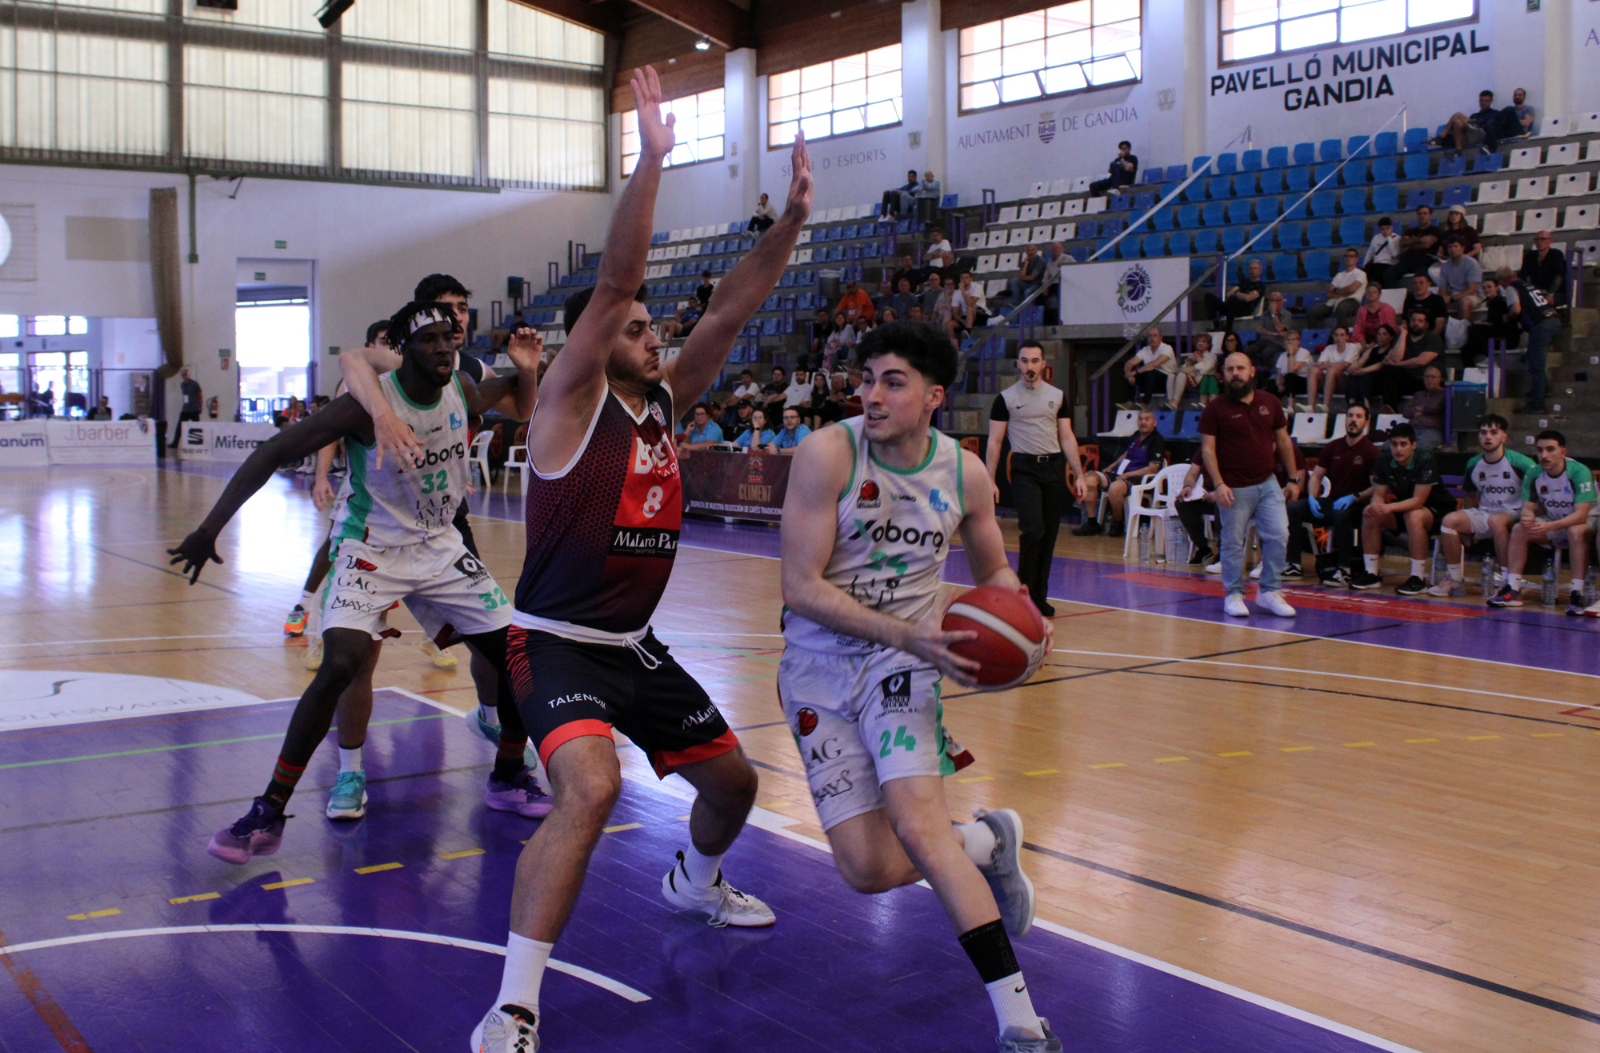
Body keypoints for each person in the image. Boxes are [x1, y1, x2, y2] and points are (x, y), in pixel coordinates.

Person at [474, 77, 814, 1051]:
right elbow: (618, 284)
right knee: (591, 789)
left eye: (649, 326)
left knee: (736, 788)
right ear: (593, 339)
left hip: (633, 644)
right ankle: (514, 1005)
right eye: (631, 327)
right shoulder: (570, 404)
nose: (649, 329)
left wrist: (789, 221)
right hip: (556, 643)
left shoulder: (664, 402)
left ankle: (692, 880)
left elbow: (731, 313)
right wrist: (655, 157)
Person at [168, 302, 542, 861]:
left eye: (450, 337)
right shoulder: (364, 407)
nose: (444, 347)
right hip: (371, 549)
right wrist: (209, 527)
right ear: (403, 350)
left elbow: (520, 400)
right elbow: (273, 451)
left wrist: (529, 368)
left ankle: (509, 773)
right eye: (431, 339)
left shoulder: (462, 388)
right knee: (340, 663)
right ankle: (269, 811)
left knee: (517, 654)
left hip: (439, 545)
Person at [778, 320, 1062, 1053]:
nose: (871, 394)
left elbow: (996, 569)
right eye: (867, 378)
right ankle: (986, 841)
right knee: (867, 868)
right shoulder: (826, 453)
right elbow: (800, 587)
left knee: (920, 829)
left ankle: (1022, 1022)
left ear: (934, 396)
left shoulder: (964, 473)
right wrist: (904, 631)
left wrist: (1023, 618)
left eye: (892, 381)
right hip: (817, 669)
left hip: (903, 671)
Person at [986, 341, 1088, 617]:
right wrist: (989, 479)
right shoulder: (1005, 398)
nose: (1029, 367)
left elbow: (1066, 436)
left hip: (1053, 467)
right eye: (1024, 361)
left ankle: (1038, 596)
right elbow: (995, 442)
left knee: (1050, 534)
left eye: (1034, 361)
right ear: (1017, 364)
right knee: (1033, 530)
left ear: (1044, 364)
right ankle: (1023, 594)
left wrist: (1078, 474)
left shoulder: (1057, 395)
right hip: (1024, 468)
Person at [1199, 352, 1299, 618]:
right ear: (1224, 374)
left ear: (1251, 371)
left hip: (1268, 483)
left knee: (1279, 535)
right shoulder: (1215, 408)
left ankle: (1269, 592)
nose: (1235, 373)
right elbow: (1208, 450)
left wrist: (1293, 478)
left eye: (1240, 368)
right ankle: (1233, 593)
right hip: (1233, 486)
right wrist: (1219, 484)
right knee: (1233, 543)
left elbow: (1284, 441)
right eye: (1230, 369)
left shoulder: (1270, 402)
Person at [1488, 430, 1596, 614]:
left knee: (1575, 531)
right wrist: (1528, 517)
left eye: (1550, 449)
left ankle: (1577, 593)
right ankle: (1513, 588)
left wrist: (1548, 526)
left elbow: (1581, 515)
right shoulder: (1534, 473)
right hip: (1554, 521)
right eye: (1540, 450)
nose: (1544, 455)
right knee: (1520, 529)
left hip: (1588, 522)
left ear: (1563, 452)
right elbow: (1528, 507)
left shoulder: (1579, 472)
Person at [1429, 414, 1535, 597]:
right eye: (1483, 432)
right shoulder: (1473, 463)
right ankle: (1454, 580)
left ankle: (1508, 581)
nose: (1488, 437)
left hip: (1515, 513)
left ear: (1504, 436)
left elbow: (1536, 494)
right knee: (1449, 520)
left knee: (1496, 521)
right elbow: (1470, 497)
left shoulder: (1522, 463)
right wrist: (1467, 526)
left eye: (1494, 432)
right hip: (1486, 512)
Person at [1347, 423, 1455, 595]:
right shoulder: (1384, 460)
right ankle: (1371, 574)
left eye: (1403, 444)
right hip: (1403, 508)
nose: (1398, 449)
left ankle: (1418, 578)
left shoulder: (1425, 459)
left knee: (1413, 516)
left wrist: (1387, 507)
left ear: (1413, 445)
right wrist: (1376, 505)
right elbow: (1379, 493)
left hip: (1436, 509)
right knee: (1370, 514)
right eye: (1394, 444)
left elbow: (1418, 501)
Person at [1286, 404, 1378, 585]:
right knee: (1293, 509)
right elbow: (1316, 477)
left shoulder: (1371, 451)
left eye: (1358, 416)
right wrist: (1312, 497)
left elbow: (1377, 486)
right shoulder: (1333, 446)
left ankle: (1344, 569)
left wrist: (1355, 497)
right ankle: (1293, 564)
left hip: (1358, 504)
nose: (1353, 420)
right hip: (1333, 500)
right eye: (1350, 416)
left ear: (1366, 422)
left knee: (1342, 514)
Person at [1072, 408, 1165, 538]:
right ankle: (1092, 522)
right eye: (1141, 419)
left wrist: (1127, 475)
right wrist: (1112, 466)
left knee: (1115, 488)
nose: (1143, 422)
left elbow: (1153, 468)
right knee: (1089, 478)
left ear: (1154, 422)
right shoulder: (1136, 435)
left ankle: (1118, 522)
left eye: (1147, 419)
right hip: (1123, 475)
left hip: (1140, 479)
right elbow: (1127, 454)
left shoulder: (1157, 440)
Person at [1498, 266, 1560, 413]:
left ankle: (1537, 405)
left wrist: (1507, 317)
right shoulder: (1528, 284)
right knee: (1532, 357)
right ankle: (1543, 388)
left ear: (1502, 280)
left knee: (1537, 365)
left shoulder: (1511, 288)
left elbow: (1516, 309)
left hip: (1540, 326)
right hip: (1554, 320)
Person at [1374, 310, 1441, 411]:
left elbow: (1421, 361)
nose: (1416, 323)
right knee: (1388, 371)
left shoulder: (1433, 338)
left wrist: (1397, 364)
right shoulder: (1403, 337)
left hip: (1427, 380)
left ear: (1426, 324)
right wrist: (1403, 334)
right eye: (1413, 320)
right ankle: (1390, 409)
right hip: (1409, 380)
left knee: (1392, 368)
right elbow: (1395, 359)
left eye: (1420, 321)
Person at [1461, 275, 1518, 368]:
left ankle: (1489, 358)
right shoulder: (1491, 302)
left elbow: (1496, 323)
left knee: (1475, 329)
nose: (1486, 290)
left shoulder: (1498, 301)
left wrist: (1481, 323)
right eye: (1484, 288)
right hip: (1496, 334)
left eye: (1489, 287)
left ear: (1496, 288)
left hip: (1506, 338)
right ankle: (1470, 372)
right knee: (1466, 349)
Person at [1172, 453, 1218, 566]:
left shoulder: (1233, 446)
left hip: (1231, 494)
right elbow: (1192, 473)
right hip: (1207, 493)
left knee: (1222, 506)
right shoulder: (1203, 449)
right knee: (1182, 503)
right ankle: (1203, 547)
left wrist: (1219, 492)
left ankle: (1224, 552)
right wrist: (1188, 486)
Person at [1306, 249, 1368, 330]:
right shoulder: (1339, 275)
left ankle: (1341, 334)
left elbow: (1351, 290)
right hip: (1335, 301)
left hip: (1352, 300)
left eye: (1351, 256)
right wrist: (1343, 292)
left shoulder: (1361, 274)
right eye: (1346, 256)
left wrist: (1336, 290)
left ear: (1356, 259)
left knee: (1342, 309)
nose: (1348, 258)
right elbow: (1329, 293)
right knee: (1312, 312)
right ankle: (1316, 335)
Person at [1382, 205, 1441, 288]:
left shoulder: (1435, 230)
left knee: (1421, 277)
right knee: (1387, 274)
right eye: (1420, 214)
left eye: (1425, 213)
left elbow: (1427, 244)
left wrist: (1411, 243)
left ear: (1430, 215)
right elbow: (1402, 245)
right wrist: (1421, 239)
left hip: (1425, 260)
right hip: (1407, 260)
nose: (1422, 216)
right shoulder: (1410, 231)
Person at [1305, 326, 1361, 413]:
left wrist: (1327, 365)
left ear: (1347, 337)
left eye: (1342, 335)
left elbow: (1344, 366)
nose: (1339, 338)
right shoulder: (1329, 348)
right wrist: (1333, 365)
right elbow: (1318, 365)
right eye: (1336, 335)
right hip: (1329, 379)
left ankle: (1326, 406)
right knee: (1313, 371)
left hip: (1345, 381)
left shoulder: (1352, 347)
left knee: (1332, 371)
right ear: (1333, 336)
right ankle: (1310, 406)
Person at [1436, 89, 1509, 156]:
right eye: (1481, 101)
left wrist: (1477, 123)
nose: (1483, 103)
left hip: (1481, 135)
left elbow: (1490, 127)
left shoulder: (1494, 113)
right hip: (1469, 135)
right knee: (1458, 122)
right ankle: (1458, 151)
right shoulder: (1474, 115)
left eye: (1486, 101)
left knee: (1458, 115)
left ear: (1491, 101)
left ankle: (1440, 137)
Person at [1203, 257, 1266, 326]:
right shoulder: (1244, 282)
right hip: (1232, 307)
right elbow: (1229, 293)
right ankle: (1216, 323)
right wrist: (1240, 295)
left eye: (1254, 268)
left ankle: (1228, 327)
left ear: (1260, 271)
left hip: (1245, 309)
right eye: (1250, 268)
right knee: (1208, 296)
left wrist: (1237, 293)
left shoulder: (1260, 286)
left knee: (1233, 299)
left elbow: (1247, 298)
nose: (1252, 271)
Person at [1122, 326, 1176, 406]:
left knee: (1151, 372)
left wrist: (1135, 372)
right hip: (1151, 381)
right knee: (1129, 374)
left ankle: (1145, 403)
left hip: (1167, 380)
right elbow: (1129, 363)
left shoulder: (1167, 348)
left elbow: (1154, 364)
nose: (1152, 338)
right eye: (1150, 336)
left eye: (1155, 335)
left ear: (1160, 337)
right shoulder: (1145, 350)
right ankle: (1129, 402)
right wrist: (1129, 373)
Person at [1343, 323, 1392, 409]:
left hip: (1380, 379)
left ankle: (1366, 405)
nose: (1380, 336)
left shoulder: (1392, 350)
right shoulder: (1372, 350)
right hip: (1366, 375)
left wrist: (1363, 371)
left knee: (1365, 376)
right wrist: (1352, 369)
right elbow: (1360, 362)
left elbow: (1381, 364)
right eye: (1379, 334)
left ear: (1391, 337)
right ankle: (1351, 403)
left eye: (1384, 334)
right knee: (1353, 375)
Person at [1436, 236, 1481, 321]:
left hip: (1472, 296)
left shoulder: (1472, 264)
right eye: (1449, 247)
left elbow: (1472, 289)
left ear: (1462, 248)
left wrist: (1453, 298)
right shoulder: (1445, 266)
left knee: (1465, 302)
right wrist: (1445, 297)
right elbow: (1442, 289)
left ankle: (1463, 331)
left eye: (1455, 246)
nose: (1452, 249)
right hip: (1452, 296)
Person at [1518, 230, 1567, 305]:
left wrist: (1551, 293)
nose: (1539, 242)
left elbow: (1559, 275)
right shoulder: (1530, 256)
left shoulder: (1556, 254)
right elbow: (1523, 275)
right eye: (1537, 240)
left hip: (1555, 293)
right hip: (1536, 292)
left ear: (1550, 241)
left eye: (1543, 239)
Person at [1403, 365, 1447, 451]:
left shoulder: (1444, 394)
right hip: (1413, 429)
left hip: (1432, 430)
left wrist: (1419, 409)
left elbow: (1434, 408)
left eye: (1433, 377)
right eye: (1427, 377)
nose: (1429, 380)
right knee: (1389, 445)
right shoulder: (1418, 395)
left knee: (1419, 446)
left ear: (1439, 379)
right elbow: (1406, 412)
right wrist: (1418, 411)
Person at [1173, 333, 1219, 407]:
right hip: (1192, 380)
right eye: (1198, 341)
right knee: (1172, 375)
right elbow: (1183, 369)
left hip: (1204, 381)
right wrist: (1190, 362)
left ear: (1208, 344)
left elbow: (1204, 371)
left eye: (1203, 341)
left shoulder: (1212, 356)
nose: (1200, 343)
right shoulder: (1193, 355)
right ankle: (1172, 402)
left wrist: (1199, 359)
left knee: (1182, 375)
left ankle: (1175, 402)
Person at [1270, 331, 1314, 405]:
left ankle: (1291, 406)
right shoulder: (1283, 355)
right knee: (1271, 384)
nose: (1290, 342)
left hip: (1303, 382)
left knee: (1289, 376)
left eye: (1293, 339)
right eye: (1287, 339)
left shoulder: (1304, 352)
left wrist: (1291, 354)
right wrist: (1279, 384)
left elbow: (1292, 370)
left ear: (1298, 341)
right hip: (1287, 382)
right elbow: (1279, 374)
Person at [1252, 290, 1297, 360]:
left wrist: (1274, 314)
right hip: (1264, 340)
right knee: (1247, 351)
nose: (1275, 303)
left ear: (1282, 302)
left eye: (1277, 300)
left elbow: (1280, 328)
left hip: (1278, 342)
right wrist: (1273, 333)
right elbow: (1259, 329)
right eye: (1272, 300)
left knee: (1266, 353)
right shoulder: (1265, 314)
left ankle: (1265, 370)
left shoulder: (1287, 314)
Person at [946, 271, 989, 342]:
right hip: (965, 317)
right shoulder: (957, 293)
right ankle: (953, 344)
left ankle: (968, 331)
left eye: (966, 278)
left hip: (980, 314)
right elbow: (955, 311)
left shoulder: (977, 287)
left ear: (971, 279)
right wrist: (962, 321)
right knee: (949, 324)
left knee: (969, 308)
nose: (964, 280)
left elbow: (971, 303)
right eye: (962, 278)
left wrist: (963, 290)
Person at [1351, 280, 1396, 346]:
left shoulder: (1387, 309)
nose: (1371, 293)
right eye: (1369, 292)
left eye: (1374, 292)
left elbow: (1391, 329)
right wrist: (1363, 343)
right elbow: (1357, 330)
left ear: (1379, 294)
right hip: (1365, 342)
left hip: (1383, 341)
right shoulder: (1362, 310)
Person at [170, 366, 201, 448]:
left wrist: (200, 406)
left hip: (194, 408)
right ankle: (175, 443)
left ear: (188, 375)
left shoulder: (194, 384)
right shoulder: (182, 385)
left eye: (185, 375)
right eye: (182, 375)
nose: (184, 377)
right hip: (186, 408)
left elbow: (200, 395)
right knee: (179, 426)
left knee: (197, 426)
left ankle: (198, 443)